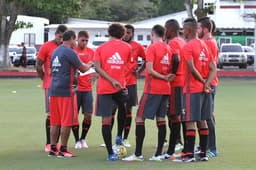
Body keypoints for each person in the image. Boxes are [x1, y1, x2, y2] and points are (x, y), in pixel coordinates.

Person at [123, 25, 175, 162]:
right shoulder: (169, 48)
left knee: (139, 118)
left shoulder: (152, 47)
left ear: (152, 34)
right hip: (166, 89)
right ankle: (158, 154)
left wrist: (163, 77)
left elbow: (150, 70)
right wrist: (168, 77)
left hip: (153, 89)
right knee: (161, 119)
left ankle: (138, 154)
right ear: (163, 35)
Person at [174, 18, 216, 163]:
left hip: (192, 89)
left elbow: (192, 69)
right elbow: (213, 69)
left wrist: (204, 82)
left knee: (189, 121)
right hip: (204, 90)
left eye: (183, 30)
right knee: (203, 120)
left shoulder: (187, 46)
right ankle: (203, 153)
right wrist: (207, 84)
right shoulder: (204, 45)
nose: (182, 32)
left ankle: (189, 155)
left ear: (189, 30)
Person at [48, 30, 93, 157]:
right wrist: (90, 63)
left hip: (54, 90)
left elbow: (51, 72)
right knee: (66, 121)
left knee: (55, 122)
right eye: (75, 40)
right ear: (72, 39)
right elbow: (83, 68)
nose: (76, 42)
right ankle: (63, 149)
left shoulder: (55, 51)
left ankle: (52, 148)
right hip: (66, 91)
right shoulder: (70, 52)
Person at [94, 23, 132, 161]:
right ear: (123, 34)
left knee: (106, 120)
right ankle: (119, 136)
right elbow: (127, 66)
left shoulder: (100, 48)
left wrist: (110, 79)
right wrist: (117, 80)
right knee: (123, 110)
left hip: (105, 88)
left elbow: (97, 68)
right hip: (120, 87)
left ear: (108, 33)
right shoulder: (128, 47)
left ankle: (110, 153)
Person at [112, 24, 146, 147]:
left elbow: (147, 59)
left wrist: (139, 71)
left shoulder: (138, 47)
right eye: (125, 32)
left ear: (133, 34)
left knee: (128, 110)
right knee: (113, 109)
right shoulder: (117, 46)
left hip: (131, 83)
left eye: (129, 33)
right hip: (117, 83)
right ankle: (114, 138)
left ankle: (124, 138)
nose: (127, 35)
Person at [36, 25, 67, 152]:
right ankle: (49, 143)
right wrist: (44, 79)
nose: (61, 40)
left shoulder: (67, 47)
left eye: (63, 38)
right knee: (51, 114)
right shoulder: (46, 46)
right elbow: (38, 65)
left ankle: (58, 143)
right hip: (51, 86)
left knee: (61, 116)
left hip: (64, 88)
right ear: (56, 34)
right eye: (60, 37)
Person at [162, 19, 187, 159]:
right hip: (182, 82)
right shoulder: (182, 41)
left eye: (166, 29)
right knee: (179, 115)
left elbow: (176, 59)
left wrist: (172, 73)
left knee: (173, 115)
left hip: (176, 83)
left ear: (170, 29)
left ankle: (172, 150)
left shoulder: (173, 42)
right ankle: (183, 145)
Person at [198, 17, 219, 157]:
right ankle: (203, 146)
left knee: (207, 116)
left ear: (205, 30)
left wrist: (206, 83)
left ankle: (212, 148)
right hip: (204, 83)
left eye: (198, 28)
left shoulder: (209, 44)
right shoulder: (207, 42)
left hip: (208, 84)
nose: (196, 30)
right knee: (203, 116)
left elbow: (211, 67)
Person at [72, 31, 96, 149]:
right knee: (74, 116)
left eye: (86, 40)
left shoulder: (91, 52)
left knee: (88, 115)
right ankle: (76, 140)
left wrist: (96, 74)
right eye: (82, 40)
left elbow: (98, 67)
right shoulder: (73, 52)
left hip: (87, 89)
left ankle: (83, 138)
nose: (84, 43)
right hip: (75, 89)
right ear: (77, 39)